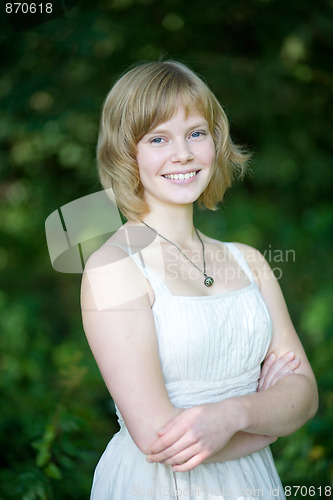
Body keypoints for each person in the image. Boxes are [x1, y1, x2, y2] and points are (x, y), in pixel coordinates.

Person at [81, 61, 318, 499]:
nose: (183, 154)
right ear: (125, 152)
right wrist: (269, 426)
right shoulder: (113, 268)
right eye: (158, 138)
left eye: (196, 133)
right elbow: (160, 441)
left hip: (254, 486)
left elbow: (304, 396)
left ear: (215, 140)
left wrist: (234, 413)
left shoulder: (250, 263)